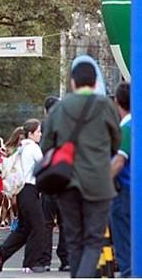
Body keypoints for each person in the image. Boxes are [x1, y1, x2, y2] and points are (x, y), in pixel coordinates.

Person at [41, 61, 121, 278]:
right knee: (93, 239)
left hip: (66, 182)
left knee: (74, 239)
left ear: (73, 82)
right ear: (95, 82)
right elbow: (116, 142)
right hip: (98, 183)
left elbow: (46, 146)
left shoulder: (59, 108)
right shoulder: (106, 106)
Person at [0, 119, 47, 273]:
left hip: (21, 192)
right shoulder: (33, 148)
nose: (40, 134)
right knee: (39, 226)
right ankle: (30, 263)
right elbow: (44, 166)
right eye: (38, 131)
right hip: (30, 190)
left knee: (25, 228)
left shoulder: (21, 148)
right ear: (31, 133)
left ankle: (3, 252)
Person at [40, 95, 69, 272]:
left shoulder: (45, 126)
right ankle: (66, 259)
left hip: (49, 179)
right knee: (65, 222)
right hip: (65, 179)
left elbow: (42, 151)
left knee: (46, 222)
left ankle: (44, 260)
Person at [110, 82, 131, 277]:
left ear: (117, 101)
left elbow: (119, 160)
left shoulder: (126, 128)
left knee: (124, 242)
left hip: (123, 191)